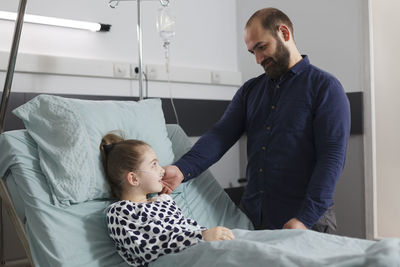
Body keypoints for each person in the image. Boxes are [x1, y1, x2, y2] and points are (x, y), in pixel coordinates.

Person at [161, 7, 351, 233]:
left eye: (262, 47)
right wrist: (182, 169)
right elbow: (220, 136)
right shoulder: (250, 91)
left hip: (305, 221)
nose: (259, 58)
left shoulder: (325, 88)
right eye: (253, 52)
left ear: (284, 33)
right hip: (253, 218)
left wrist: (305, 218)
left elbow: (331, 158)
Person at [100, 133, 235, 267]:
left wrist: (211, 235)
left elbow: (186, 226)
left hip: (200, 248)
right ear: (134, 179)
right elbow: (147, 248)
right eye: (154, 165)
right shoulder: (119, 212)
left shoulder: (164, 200)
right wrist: (202, 236)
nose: (162, 171)